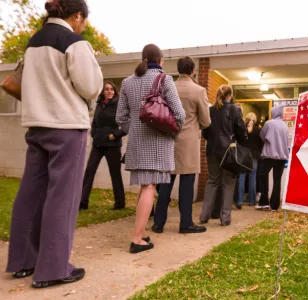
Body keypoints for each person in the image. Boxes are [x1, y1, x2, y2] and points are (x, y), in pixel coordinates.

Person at [5, 0, 103, 288]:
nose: (84, 25)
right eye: (84, 20)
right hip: (67, 127)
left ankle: (22, 260)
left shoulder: (33, 43)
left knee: (30, 194)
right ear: (77, 16)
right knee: (63, 197)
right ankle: (53, 268)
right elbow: (89, 86)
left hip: (37, 125)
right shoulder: (74, 42)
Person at [116, 44, 185, 254]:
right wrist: (172, 133)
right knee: (149, 187)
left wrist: (135, 130)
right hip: (157, 142)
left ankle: (141, 231)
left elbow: (120, 117)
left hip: (137, 144)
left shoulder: (127, 82)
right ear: (161, 60)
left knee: (144, 186)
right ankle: (137, 239)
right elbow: (180, 115)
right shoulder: (165, 80)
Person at [152, 57, 211, 234]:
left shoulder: (167, 88)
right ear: (193, 70)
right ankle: (185, 223)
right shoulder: (199, 90)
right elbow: (206, 120)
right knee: (187, 184)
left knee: (166, 183)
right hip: (189, 142)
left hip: (169, 138)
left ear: (178, 69)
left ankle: (158, 223)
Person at [199, 86, 246, 226]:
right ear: (229, 95)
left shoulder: (211, 110)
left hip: (212, 150)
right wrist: (240, 141)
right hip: (229, 151)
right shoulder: (235, 109)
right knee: (228, 184)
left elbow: (205, 132)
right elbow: (241, 130)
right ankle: (225, 218)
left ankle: (204, 215)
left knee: (212, 181)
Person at [80, 82, 126, 211]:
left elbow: (128, 123)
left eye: (112, 89)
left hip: (112, 144)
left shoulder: (119, 104)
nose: (109, 91)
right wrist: (94, 133)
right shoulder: (100, 104)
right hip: (98, 143)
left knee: (115, 174)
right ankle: (83, 202)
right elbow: (95, 121)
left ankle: (120, 203)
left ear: (115, 91)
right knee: (89, 171)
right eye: (107, 89)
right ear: (103, 92)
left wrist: (115, 135)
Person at [256, 106, 289, 211]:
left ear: (273, 112)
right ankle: (274, 205)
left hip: (269, 155)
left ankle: (263, 202)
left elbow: (262, 135)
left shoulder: (268, 123)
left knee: (262, 176)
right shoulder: (285, 125)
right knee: (277, 180)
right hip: (282, 156)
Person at [236, 112, 263, 208]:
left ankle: (239, 201)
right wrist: (258, 153)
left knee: (241, 178)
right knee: (252, 178)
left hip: (243, 156)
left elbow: (239, 141)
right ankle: (251, 201)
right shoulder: (259, 130)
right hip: (254, 156)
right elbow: (261, 144)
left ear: (246, 119)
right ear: (255, 119)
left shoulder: (242, 129)